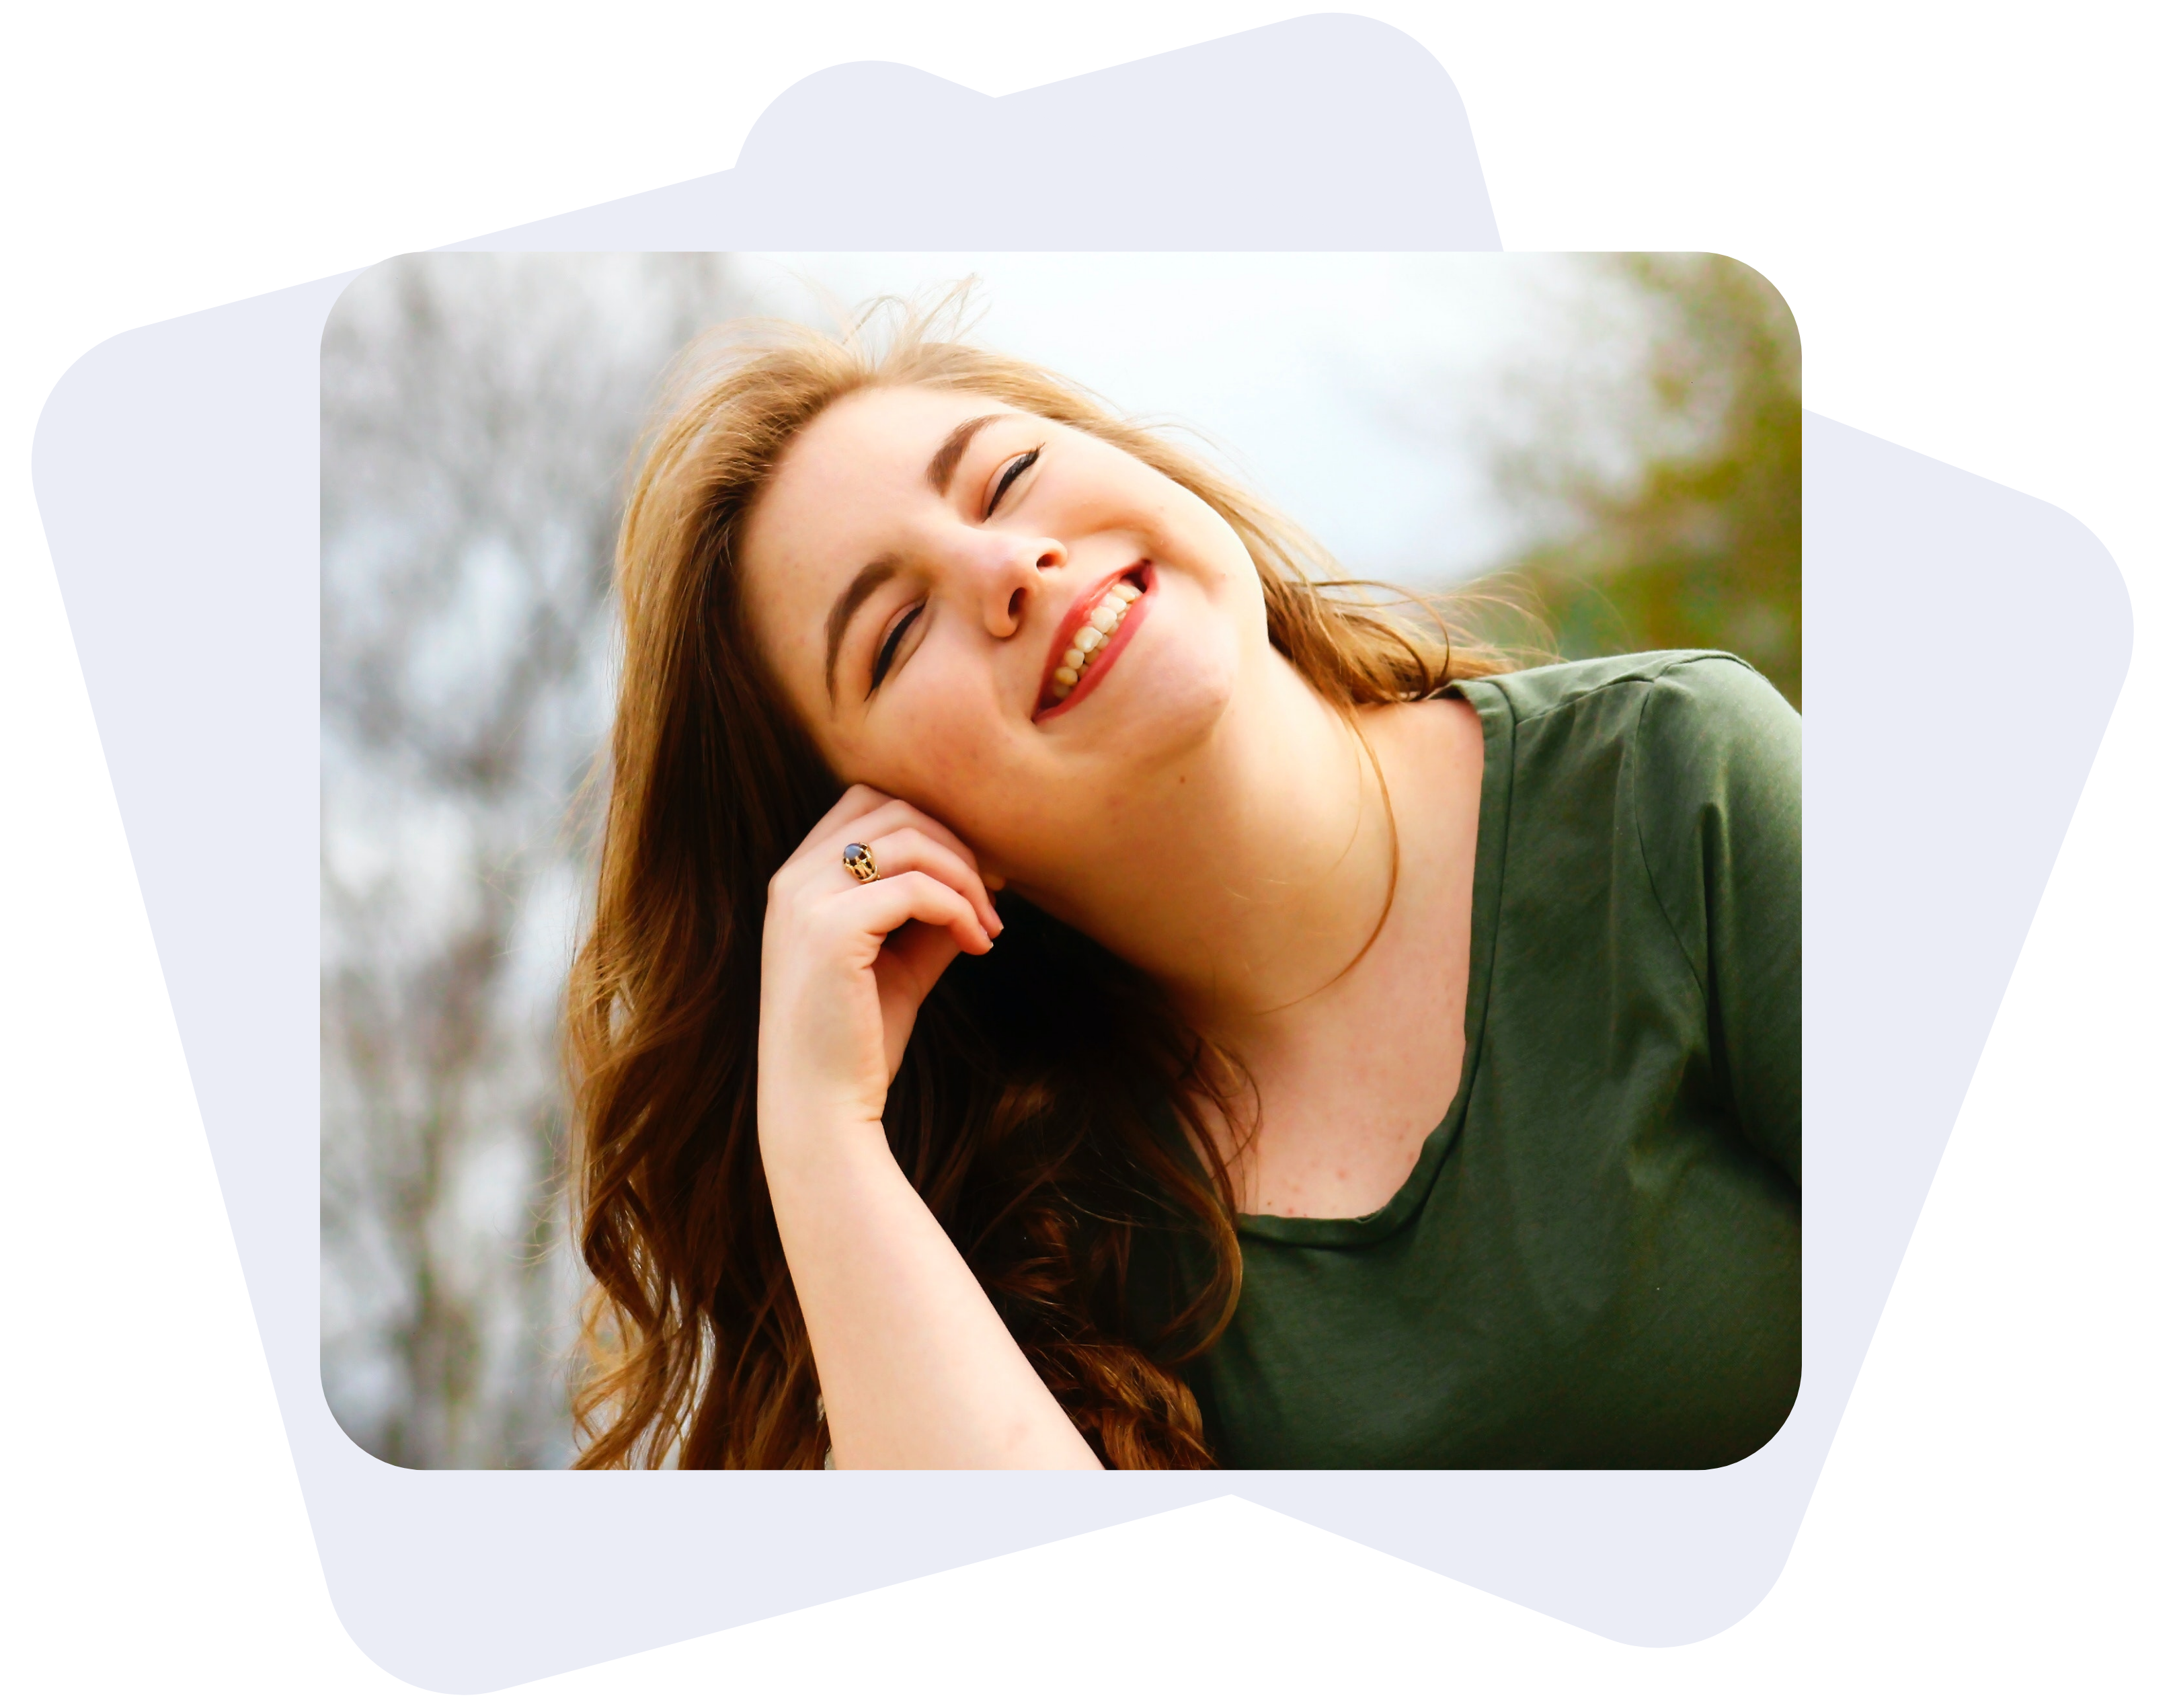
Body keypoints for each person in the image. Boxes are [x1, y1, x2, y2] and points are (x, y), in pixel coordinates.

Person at [566, 294, 1801, 1471]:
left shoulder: (1674, 779)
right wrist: (822, 1137)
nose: (1012, 564)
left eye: (1005, 479)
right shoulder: (1023, 1230)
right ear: (871, 827)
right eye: (894, 635)